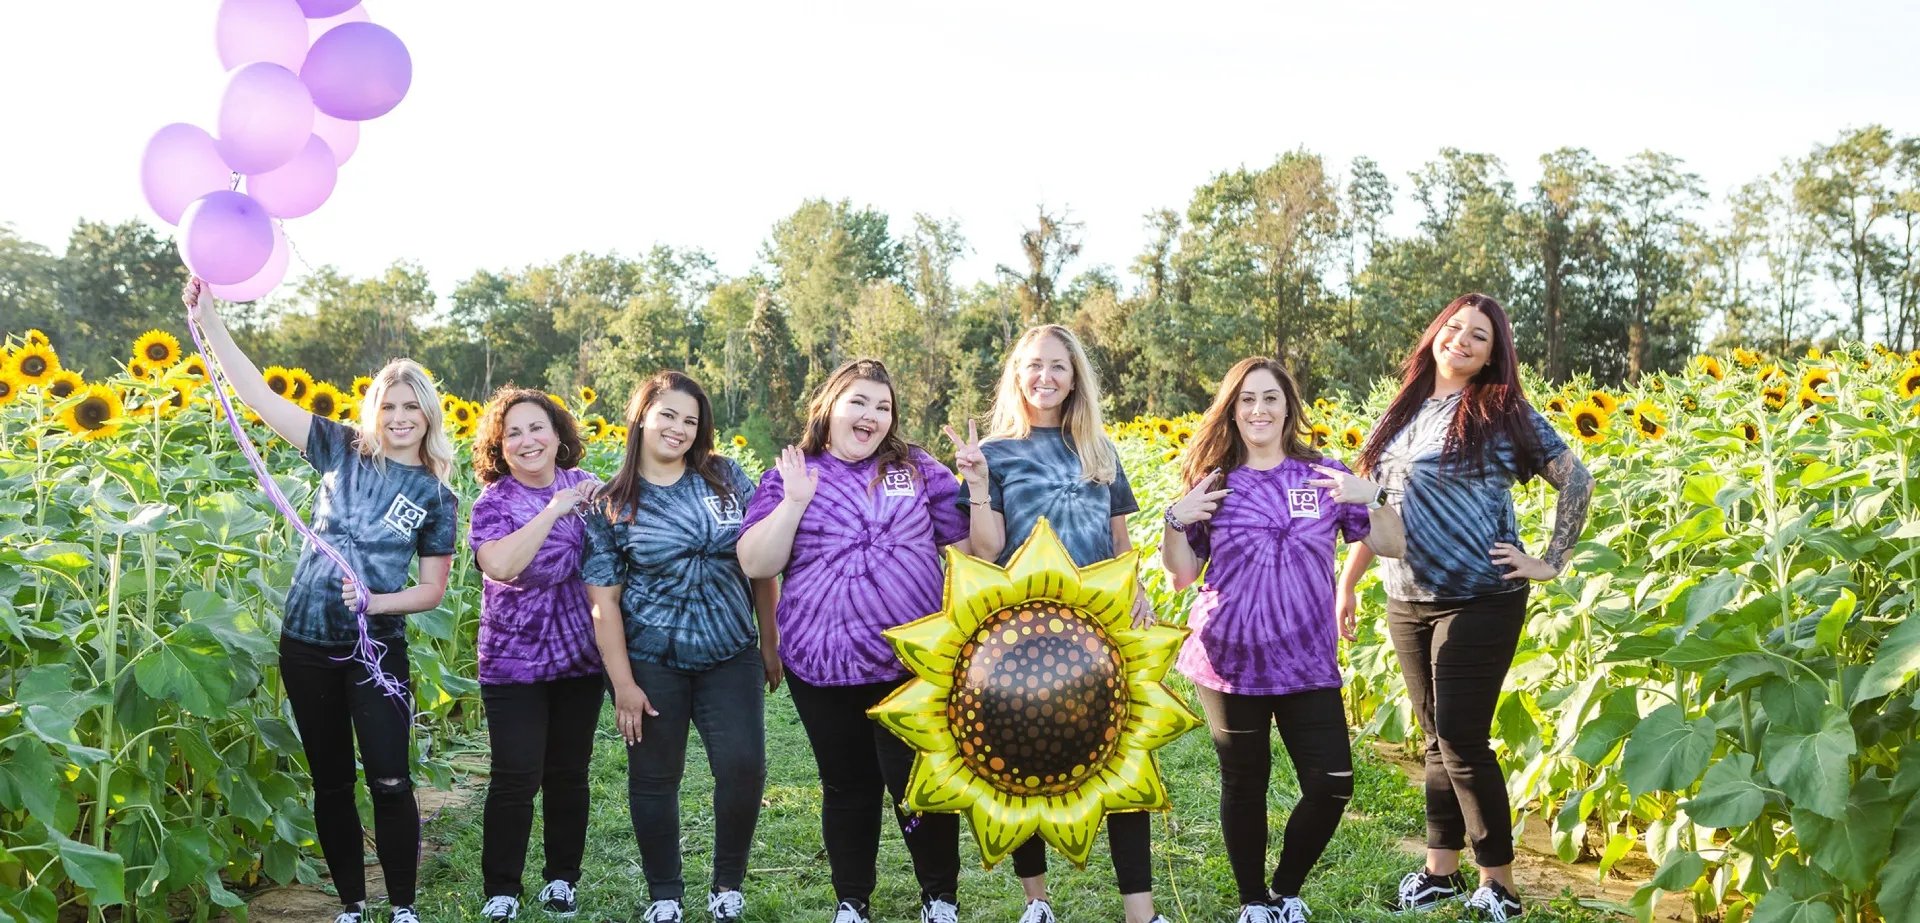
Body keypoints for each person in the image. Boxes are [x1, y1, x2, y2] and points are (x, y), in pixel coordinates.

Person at [186, 279, 457, 923]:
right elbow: (257, 394)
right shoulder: (337, 447)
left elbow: (433, 589)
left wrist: (376, 603)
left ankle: (404, 908)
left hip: (376, 654)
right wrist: (210, 320)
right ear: (374, 410)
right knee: (332, 784)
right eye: (389, 405)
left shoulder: (436, 497)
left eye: (411, 408)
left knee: (390, 781)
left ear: (428, 417)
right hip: (305, 646)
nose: (398, 418)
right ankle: (352, 907)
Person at [1342, 293, 1594, 921]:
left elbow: (1577, 479)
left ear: (1491, 355)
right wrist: (1347, 584)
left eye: (1478, 336)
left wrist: (1551, 559)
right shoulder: (1399, 413)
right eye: (1454, 328)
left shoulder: (1502, 411)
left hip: (1481, 595)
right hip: (1408, 596)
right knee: (1435, 738)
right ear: (1435, 335)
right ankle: (1439, 872)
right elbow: (1375, 507)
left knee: (1460, 736)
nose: (1461, 341)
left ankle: (1499, 885)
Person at [1159, 358, 1406, 923]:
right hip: (1230, 657)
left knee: (1333, 783)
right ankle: (1253, 902)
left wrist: (1375, 496)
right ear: (1232, 409)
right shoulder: (1215, 482)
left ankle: (1287, 889)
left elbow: (1391, 546)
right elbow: (1181, 574)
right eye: (1246, 400)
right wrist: (1175, 519)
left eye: (1270, 399)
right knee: (1244, 783)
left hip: (1307, 660)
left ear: (1289, 408)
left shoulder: (1322, 475)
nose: (1258, 410)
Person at [949, 324, 1170, 923]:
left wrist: (1139, 588)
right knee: (1021, 760)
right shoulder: (993, 453)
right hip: (1017, 635)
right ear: (1017, 375)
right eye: (1034, 366)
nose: (1045, 377)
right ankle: (1037, 902)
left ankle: (1141, 910)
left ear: (1075, 380)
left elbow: (1120, 540)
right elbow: (986, 550)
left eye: (1058, 367)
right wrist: (974, 482)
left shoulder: (1100, 449)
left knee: (1123, 762)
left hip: (1099, 633)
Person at [736, 359, 970, 923]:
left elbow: (971, 543)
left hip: (910, 661)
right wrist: (794, 502)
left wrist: (979, 486)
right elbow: (755, 561)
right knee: (846, 785)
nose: (870, 416)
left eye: (882, 407)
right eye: (858, 402)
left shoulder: (915, 468)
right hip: (821, 664)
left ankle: (939, 898)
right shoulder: (791, 473)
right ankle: (852, 900)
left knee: (917, 785)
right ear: (829, 407)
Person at [582, 371, 780, 923]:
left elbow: (761, 565)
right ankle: (665, 895)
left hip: (731, 650)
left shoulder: (724, 477)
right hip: (651, 659)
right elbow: (605, 603)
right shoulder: (611, 503)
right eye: (667, 414)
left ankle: (727, 886)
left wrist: (770, 641)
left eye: (690, 420)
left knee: (744, 767)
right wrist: (623, 684)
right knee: (654, 777)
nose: (678, 428)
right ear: (642, 415)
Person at [469, 388, 606, 922]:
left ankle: (560, 881)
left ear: (558, 435)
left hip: (579, 657)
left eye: (537, 428)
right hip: (513, 662)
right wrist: (552, 509)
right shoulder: (494, 502)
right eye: (514, 434)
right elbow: (501, 566)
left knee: (569, 773)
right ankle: (502, 886)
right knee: (516, 775)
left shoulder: (589, 489)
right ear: (500, 448)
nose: (528, 441)